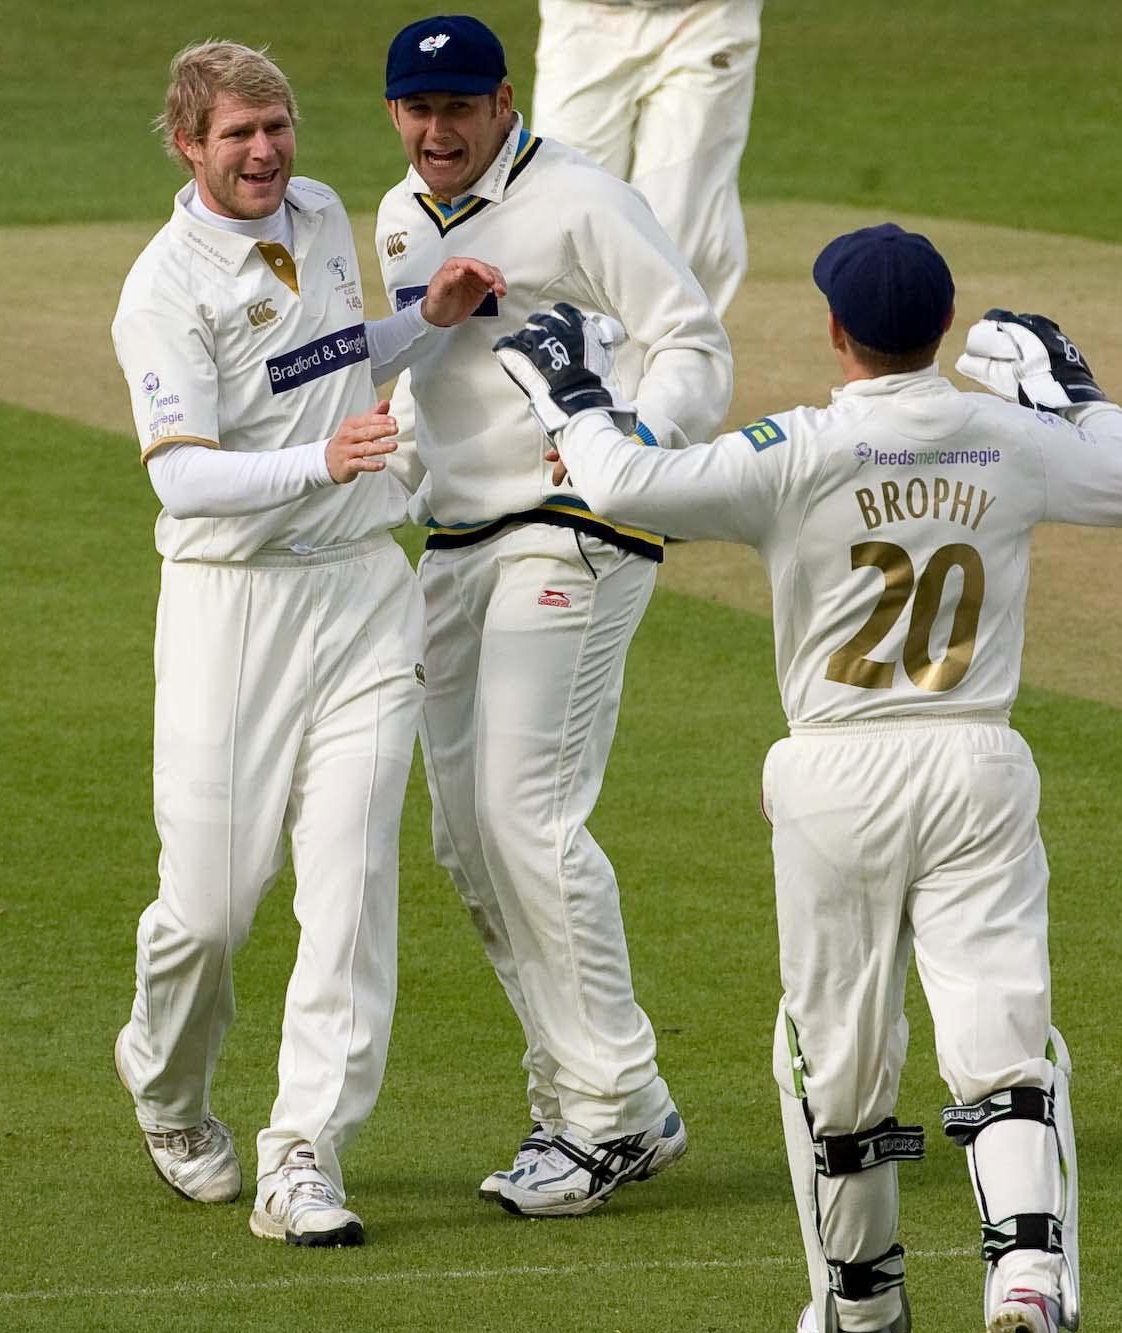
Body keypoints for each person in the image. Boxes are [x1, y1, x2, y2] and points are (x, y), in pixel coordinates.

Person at [493, 224, 1122, 1333]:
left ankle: (862, 1306)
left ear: (833, 331)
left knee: (837, 1058)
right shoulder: (1002, 434)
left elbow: (622, 483)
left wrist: (571, 390)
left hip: (834, 769)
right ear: (942, 329)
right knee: (1000, 1041)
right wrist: (1074, 388)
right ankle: (1024, 1271)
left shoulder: (796, 447)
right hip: (975, 757)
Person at [109, 40, 503, 1245]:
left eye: (275, 126)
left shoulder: (325, 213)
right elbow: (182, 481)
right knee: (214, 909)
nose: (265, 151)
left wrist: (421, 326)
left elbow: (329, 362)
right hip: (236, 606)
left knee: (350, 886)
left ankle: (304, 1154)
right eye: (236, 134)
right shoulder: (163, 288)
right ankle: (166, 1088)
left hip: (363, 594)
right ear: (187, 144)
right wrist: (319, 460)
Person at [372, 14, 734, 1216]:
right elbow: (421, 380)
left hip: (571, 527)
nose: (439, 130)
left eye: (460, 107)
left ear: (505, 100)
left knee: (528, 819)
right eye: (419, 112)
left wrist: (627, 447)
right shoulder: (395, 220)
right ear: (394, 116)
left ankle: (616, 1107)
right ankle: (577, 1100)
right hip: (456, 536)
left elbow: (691, 340)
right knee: (465, 842)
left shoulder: (585, 200)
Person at [530, 0, 763, 314]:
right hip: (583, 16)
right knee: (563, 208)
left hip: (708, 16)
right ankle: (567, 352)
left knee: (683, 225)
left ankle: (684, 354)